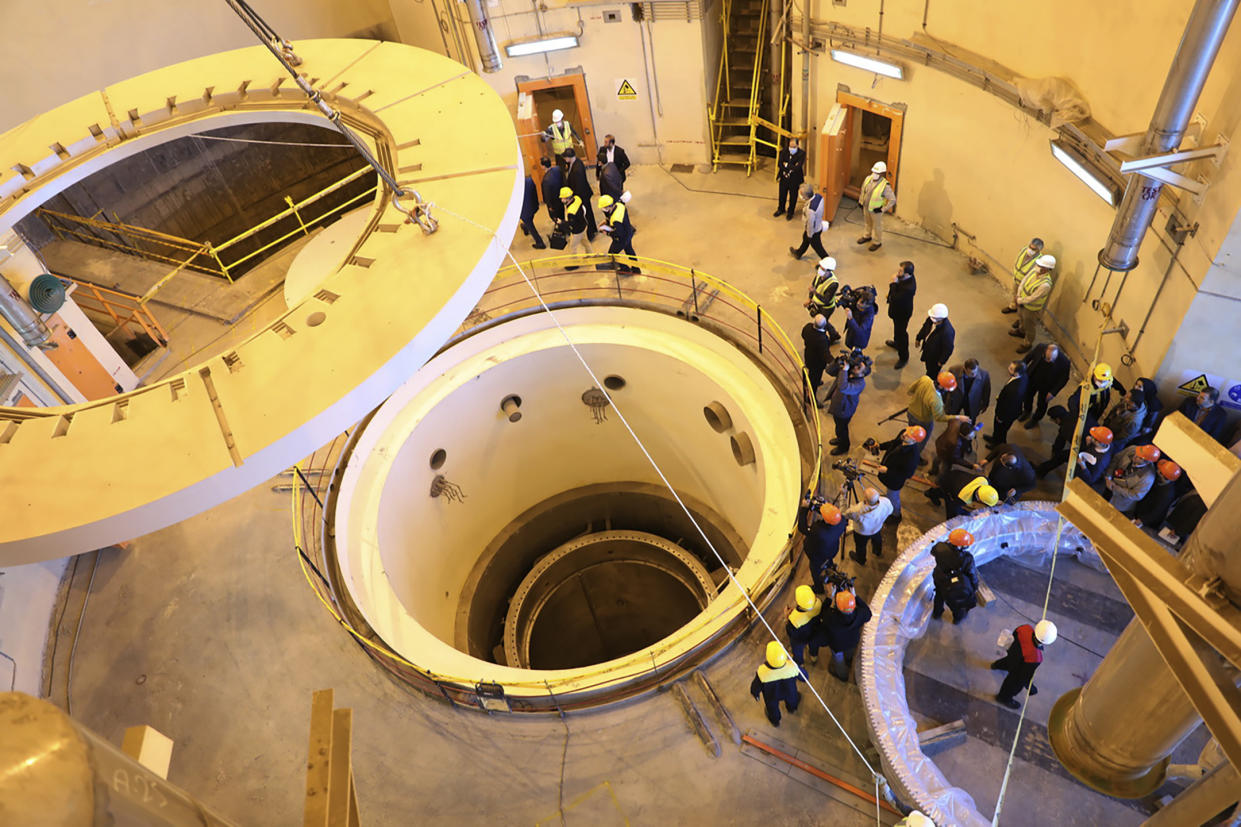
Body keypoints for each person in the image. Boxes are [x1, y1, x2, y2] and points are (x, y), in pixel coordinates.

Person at [906, 371, 972, 463]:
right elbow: (939, 417)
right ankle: (914, 458)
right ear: (941, 386)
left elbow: (910, 390)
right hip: (923, 421)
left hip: (910, 412)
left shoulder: (925, 379)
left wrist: (919, 399)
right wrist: (957, 417)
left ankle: (907, 448)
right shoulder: (936, 400)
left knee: (911, 434)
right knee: (920, 441)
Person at [992, 620, 1057, 709]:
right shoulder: (1035, 657)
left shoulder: (1025, 628)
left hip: (1012, 655)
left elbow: (1014, 635)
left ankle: (996, 665)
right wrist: (1031, 688)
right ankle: (1003, 698)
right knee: (1012, 685)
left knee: (1007, 662)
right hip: (1017, 668)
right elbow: (1024, 676)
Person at [817, 589, 872, 682]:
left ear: (838, 607)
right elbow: (868, 612)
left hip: (837, 645)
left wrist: (829, 598)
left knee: (838, 660)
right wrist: (855, 596)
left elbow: (822, 614)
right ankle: (849, 660)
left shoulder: (831, 617)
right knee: (849, 651)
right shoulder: (860, 614)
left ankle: (843, 675)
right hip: (852, 641)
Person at [875, 425, 924, 523]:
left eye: (909, 435)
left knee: (893, 497)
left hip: (895, 481)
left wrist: (887, 471)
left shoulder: (912, 456)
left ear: (915, 441)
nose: (904, 434)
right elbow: (893, 443)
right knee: (890, 494)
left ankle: (896, 515)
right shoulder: (904, 435)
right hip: (888, 473)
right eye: (907, 431)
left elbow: (906, 474)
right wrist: (880, 446)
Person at [930, 528, 980, 623]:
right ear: (961, 546)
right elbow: (971, 574)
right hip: (954, 584)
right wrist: (974, 587)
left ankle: (937, 614)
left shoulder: (940, 547)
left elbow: (933, 552)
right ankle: (957, 619)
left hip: (939, 577)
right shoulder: (966, 558)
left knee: (939, 595)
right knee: (956, 604)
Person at [750, 641, 804, 726]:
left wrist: (755, 694)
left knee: (772, 708)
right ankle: (792, 708)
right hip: (789, 692)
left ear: (767, 656)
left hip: (772, 695)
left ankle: (775, 721)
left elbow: (756, 686)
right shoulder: (792, 667)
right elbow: (805, 677)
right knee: (793, 699)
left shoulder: (762, 672)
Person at [797, 499, 846, 594]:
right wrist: (822, 507)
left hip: (818, 557)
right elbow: (831, 516)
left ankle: (818, 588)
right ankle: (830, 571)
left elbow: (802, 528)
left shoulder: (818, 531)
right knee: (829, 562)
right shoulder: (842, 520)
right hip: (831, 550)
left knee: (816, 571)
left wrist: (804, 509)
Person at [1010, 254, 1056, 352]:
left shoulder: (1045, 284)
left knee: (1029, 326)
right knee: (1021, 318)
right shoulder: (1034, 271)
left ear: (1047, 269)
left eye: (1041, 266)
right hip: (1021, 302)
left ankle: (1027, 343)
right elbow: (1023, 281)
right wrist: (1018, 294)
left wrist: (1019, 300)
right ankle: (1021, 331)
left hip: (1031, 309)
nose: (1038, 267)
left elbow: (1033, 297)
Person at [1019, 342, 1071, 427]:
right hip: (1033, 379)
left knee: (1042, 404)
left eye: (1051, 360)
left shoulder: (1065, 362)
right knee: (1027, 396)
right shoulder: (1040, 347)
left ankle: (1036, 419)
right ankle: (1027, 411)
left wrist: (1053, 393)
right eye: (1047, 359)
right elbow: (1027, 358)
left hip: (1047, 386)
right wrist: (1020, 370)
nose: (1048, 361)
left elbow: (1064, 379)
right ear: (1045, 351)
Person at [825, 357, 867, 455]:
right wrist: (837, 361)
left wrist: (844, 370)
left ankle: (844, 446)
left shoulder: (859, 384)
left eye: (859, 367)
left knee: (842, 428)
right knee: (838, 426)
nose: (856, 367)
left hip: (844, 410)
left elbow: (843, 387)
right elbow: (829, 371)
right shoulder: (848, 372)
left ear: (863, 373)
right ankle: (839, 438)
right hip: (838, 406)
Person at [1105, 443, 1161, 514]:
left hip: (1118, 500)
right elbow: (1116, 459)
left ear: (1147, 462)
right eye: (1137, 453)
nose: (1135, 456)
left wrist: (1115, 488)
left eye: (1140, 458)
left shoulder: (1148, 477)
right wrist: (1108, 477)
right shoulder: (1133, 449)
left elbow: (1136, 495)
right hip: (1108, 484)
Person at [925, 469, 1000, 520]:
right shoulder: (964, 497)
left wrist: (995, 500)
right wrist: (967, 513)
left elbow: (988, 493)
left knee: (945, 493)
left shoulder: (984, 480)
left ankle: (930, 493)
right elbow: (953, 507)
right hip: (946, 482)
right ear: (980, 499)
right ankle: (931, 494)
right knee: (947, 499)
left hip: (955, 473)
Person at [844, 487, 893, 565]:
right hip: (877, 528)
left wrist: (843, 495)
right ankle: (877, 552)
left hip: (861, 533)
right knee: (877, 539)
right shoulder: (885, 502)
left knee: (861, 546)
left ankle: (861, 559)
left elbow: (844, 513)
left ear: (865, 499)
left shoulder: (856, 510)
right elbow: (890, 511)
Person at [857, 160, 895, 251]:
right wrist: (861, 201)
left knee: (877, 226)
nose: (874, 174)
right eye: (874, 172)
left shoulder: (885, 185)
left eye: (877, 172)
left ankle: (877, 242)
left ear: (882, 173)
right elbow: (863, 191)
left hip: (876, 210)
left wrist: (882, 209)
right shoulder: (868, 179)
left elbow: (892, 200)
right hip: (866, 207)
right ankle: (867, 236)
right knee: (867, 223)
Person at [986, 361, 1027, 446]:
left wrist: (1000, 417)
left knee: (1001, 430)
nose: (1008, 369)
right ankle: (994, 438)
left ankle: (997, 445)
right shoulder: (1024, 376)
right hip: (1012, 409)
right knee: (998, 430)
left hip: (1006, 415)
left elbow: (1007, 406)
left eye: (1011, 369)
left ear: (1016, 373)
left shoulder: (1013, 390)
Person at [885, 261, 917, 369]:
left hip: (902, 313)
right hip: (897, 311)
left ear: (907, 274)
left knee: (901, 333)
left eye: (901, 271)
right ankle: (897, 343)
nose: (898, 272)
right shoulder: (905, 278)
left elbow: (896, 298)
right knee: (897, 330)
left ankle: (904, 357)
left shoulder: (909, 287)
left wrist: (893, 283)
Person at [1133, 460, 1182, 530]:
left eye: (1160, 471)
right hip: (1142, 510)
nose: (1157, 471)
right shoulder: (1163, 481)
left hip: (1147, 521)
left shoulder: (1167, 494)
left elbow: (1157, 511)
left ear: (1163, 475)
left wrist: (1142, 520)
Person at [597, 194, 639, 274]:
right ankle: (636, 269)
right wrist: (607, 220)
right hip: (628, 232)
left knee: (612, 255)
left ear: (608, 206)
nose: (603, 209)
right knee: (629, 251)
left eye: (603, 208)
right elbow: (616, 215)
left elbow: (618, 233)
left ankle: (625, 269)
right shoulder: (619, 205)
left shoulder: (615, 220)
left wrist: (608, 233)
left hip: (622, 238)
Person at [1002, 237, 1044, 314]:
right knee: (1014, 294)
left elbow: (1033, 275)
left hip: (1025, 285)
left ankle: (1020, 317)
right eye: (1030, 247)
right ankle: (1013, 307)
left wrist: (1023, 285)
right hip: (1016, 279)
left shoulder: (1039, 260)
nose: (1030, 250)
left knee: (1022, 301)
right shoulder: (1024, 250)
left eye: (1034, 249)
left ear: (1039, 250)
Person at [784, 585, 823, 667]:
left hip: (800, 639)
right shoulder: (818, 603)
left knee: (797, 650)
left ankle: (800, 663)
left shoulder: (794, 618)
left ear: (797, 601)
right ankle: (814, 657)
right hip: (815, 632)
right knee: (814, 645)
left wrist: (787, 617)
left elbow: (790, 631)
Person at [804, 257, 841, 343]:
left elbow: (826, 300)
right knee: (824, 322)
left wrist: (815, 293)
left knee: (821, 324)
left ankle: (830, 337)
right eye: (820, 267)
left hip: (826, 308)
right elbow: (813, 286)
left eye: (823, 269)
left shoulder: (833, 284)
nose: (820, 269)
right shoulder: (820, 275)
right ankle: (834, 335)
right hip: (818, 304)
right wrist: (810, 298)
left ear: (829, 271)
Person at [563, 149, 597, 241]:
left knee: (586, 214)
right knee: (588, 213)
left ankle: (591, 233)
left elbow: (579, 187)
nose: (564, 159)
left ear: (569, 157)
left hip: (582, 196)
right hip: (584, 193)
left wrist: (576, 200)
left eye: (565, 157)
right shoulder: (576, 162)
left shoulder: (577, 169)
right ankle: (593, 229)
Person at [789, 183, 829, 260]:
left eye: (801, 194)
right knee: (805, 239)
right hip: (818, 225)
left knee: (818, 248)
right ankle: (799, 253)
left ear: (806, 196)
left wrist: (809, 235)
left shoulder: (810, 210)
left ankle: (827, 262)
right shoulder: (819, 197)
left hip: (813, 232)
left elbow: (810, 224)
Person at [915, 303, 955, 378]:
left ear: (941, 319)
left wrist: (941, 361)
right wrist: (918, 338)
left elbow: (948, 349)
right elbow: (924, 328)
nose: (931, 319)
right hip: (928, 351)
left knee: (932, 372)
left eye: (934, 319)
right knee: (928, 366)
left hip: (935, 358)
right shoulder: (931, 319)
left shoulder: (947, 332)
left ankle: (930, 380)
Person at [557, 187, 593, 267]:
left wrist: (561, 222)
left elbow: (571, 224)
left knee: (572, 247)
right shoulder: (577, 198)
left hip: (577, 231)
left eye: (563, 198)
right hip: (584, 224)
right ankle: (591, 255)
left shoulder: (571, 212)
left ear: (568, 198)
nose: (561, 200)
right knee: (585, 241)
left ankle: (574, 264)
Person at [773, 138, 806, 219]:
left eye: (794, 147)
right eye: (790, 146)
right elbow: (780, 164)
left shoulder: (801, 154)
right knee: (782, 194)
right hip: (784, 177)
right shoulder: (784, 151)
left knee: (793, 196)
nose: (791, 148)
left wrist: (787, 165)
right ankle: (781, 209)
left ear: (797, 145)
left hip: (795, 179)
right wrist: (788, 168)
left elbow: (798, 167)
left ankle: (790, 212)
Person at [801, 315, 831, 398]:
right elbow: (825, 355)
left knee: (811, 373)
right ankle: (810, 397)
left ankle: (808, 382)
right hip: (817, 364)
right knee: (814, 379)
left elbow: (803, 335)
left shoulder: (808, 327)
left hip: (808, 356)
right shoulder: (822, 339)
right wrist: (834, 361)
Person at [518, 171, 546, 250]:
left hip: (525, 212)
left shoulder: (515, 189)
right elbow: (534, 192)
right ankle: (525, 227)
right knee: (529, 221)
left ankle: (540, 242)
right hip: (533, 207)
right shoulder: (529, 180)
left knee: (531, 226)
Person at [540, 157, 566, 227]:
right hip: (561, 198)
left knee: (555, 217)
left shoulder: (546, 180)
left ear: (543, 166)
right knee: (562, 215)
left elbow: (547, 195)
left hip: (554, 203)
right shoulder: (557, 169)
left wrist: (550, 206)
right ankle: (565, 226)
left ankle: (562, 229)